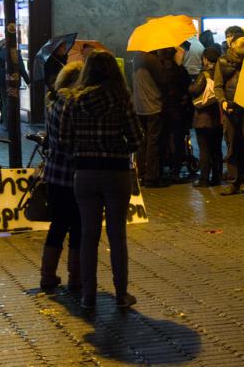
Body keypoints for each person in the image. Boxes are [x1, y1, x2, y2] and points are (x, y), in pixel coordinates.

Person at [57, 50, 145, 309]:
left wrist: (82, 149)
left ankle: (88, 295)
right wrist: (118, 145)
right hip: (116, 172)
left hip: (85, 173)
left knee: (88, 235)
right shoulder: (120, 99)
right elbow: (137, 138)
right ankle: (121, 293)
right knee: (117, 235)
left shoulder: (74, 101)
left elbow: (63, 140)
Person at [40, 61, 84, 291]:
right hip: (72, 174)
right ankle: (75, 277)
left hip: (54, 173)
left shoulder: (53, 101)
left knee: (58, 225)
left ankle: (48, 275)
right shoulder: (73, 104)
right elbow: (70, 142)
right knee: (77, 226)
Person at [214, 35, 244, 195]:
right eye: (243, 46)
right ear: (233, 46)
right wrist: (223, 102)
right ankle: (234, 180)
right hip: (230, 110)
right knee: (232, 146)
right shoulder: (222, 62)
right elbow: (218, 86)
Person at [132, 51, 168, 188]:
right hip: (153, 105)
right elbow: (163, 79)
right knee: (154, 142)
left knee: (143, 141)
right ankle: (151, 177)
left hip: (139, 105)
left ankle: (141, 173)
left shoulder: (137, 57)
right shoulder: (152, 59)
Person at [188, 47, 223, 187]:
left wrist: (190, 84)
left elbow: (194, 90)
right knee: (217, 148)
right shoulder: (222, 73)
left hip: (203, 118)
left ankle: (204, 179)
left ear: (206, 59)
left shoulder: (205, 74)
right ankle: (217, 177)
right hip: (218, 117)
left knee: (204, 149)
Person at [158, 47, 192, 183]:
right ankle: (175, 171)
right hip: (178, 110)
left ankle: (162, 169)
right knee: (177, 141)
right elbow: (187, 88)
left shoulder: (158, 71)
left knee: (162, 140)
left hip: (162, 109)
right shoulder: (180, 71)